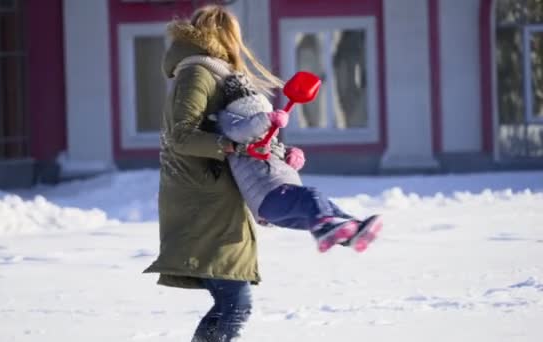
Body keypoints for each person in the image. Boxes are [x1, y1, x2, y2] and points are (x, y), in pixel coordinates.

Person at [143, 5, 284, 342]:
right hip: (201, 203)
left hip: (214, 199)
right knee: (235, 302)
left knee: (231, 302)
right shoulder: (197, 73)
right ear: (222, 36)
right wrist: (233, 147)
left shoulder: (214, 74)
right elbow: (182, 136)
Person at [216, 73, 382, 253]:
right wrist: (267, 119)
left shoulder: (263, 137)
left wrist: (289, 153)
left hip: (279, 199)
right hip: (268, 197)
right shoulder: (229, 121)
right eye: (257, 117)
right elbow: (239, 131)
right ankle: (326, 228)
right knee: (312, 197)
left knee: (319, 208)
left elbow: (270, 149)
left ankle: (350, 230)